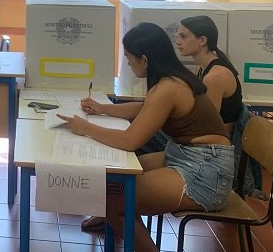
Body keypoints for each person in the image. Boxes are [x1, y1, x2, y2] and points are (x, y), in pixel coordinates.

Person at [58, 22, 234, 252]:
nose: (128, 63)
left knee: (114, 203)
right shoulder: (170, 79)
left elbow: (130, 140)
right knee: (116, 176)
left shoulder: (168, 87)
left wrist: (86, 128)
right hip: (188, 156)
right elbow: (146, 107)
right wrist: (104, 109)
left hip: (204, 172)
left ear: (145, 59)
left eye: (130, 58)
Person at [176, 15, 264, 197]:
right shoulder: (202, 67)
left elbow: (206, 125)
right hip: (211, 142)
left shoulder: (215, 76)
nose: (177, 42)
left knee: (150, 140)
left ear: (202, 41)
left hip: (216, 151)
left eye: (184, 37)